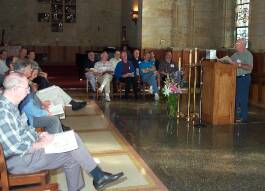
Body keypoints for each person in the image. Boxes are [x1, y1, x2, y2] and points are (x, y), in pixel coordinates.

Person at [0, 72, 124, 191]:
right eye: (26, 88)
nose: (28, 92)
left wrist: (40, 135)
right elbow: (15, 148)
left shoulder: (11, 107)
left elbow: (24, 131)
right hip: (18, 161)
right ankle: (98, 176)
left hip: (26, 153)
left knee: (73, 151)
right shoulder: (4, 113)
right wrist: (41, 144)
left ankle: (93, 180)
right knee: (73, 142)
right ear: (15, 89)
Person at [12, 59, 86, 111]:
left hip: (35, 95)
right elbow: (29, 94)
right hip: (34, 98)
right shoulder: (17, 78)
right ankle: (73, 104)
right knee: (56, 90)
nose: (31, 71)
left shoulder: (21, 76)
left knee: (58, 99)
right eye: (30, 70)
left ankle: (58, 122)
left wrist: (32, 83)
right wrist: (32, 85)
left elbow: (31, 83)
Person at [230, 38, 253, 122]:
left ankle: (243, 117)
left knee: (242, 98)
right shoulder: (235, 55)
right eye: (236, 44)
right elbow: (229, 62)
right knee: (235, 98)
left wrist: (239, 65)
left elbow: (249, 67)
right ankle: (235, 115)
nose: (235, 45)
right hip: (234, 78)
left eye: (237, 44)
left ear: (243, 45)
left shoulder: (248, 54)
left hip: (244, 78)